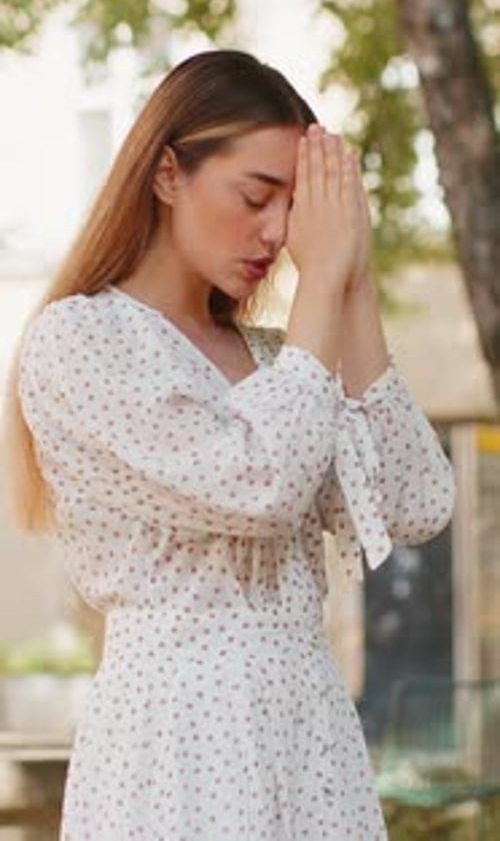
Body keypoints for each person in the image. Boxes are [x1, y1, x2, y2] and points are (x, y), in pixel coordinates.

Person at [4, 49, 455, 839]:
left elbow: (416, 504)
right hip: (174, 741)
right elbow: (261, 484)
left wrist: (351, 284)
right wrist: (318, 289)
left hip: (309, 737)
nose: (278, 233)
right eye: (256, 196)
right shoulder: (83, 341)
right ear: (169, 173)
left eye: (297, 209)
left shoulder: (286, 360)